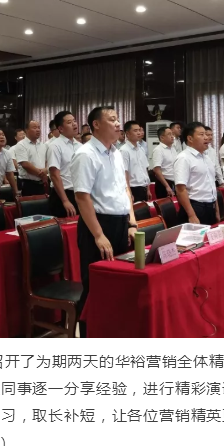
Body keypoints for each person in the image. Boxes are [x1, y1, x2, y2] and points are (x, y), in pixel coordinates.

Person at [71, 106, 136, 338]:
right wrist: (98, 235)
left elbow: (124, 189)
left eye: (118, 119)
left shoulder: (116, 153)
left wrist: (131, 223)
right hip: (98, 226)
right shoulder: (86, 154)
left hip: (120, 223)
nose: (118, 124)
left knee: (118, 283)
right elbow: (82, 197)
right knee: (95, 287)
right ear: (96, 125)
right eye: (112, 119)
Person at [174, 122, 220, 225]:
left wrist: (216, 209)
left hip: (210, 206)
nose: (206, 137)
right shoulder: (184, 158)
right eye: (201, 134)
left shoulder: (206, 158)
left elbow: (212, 185)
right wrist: (192, 215)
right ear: (190, 138)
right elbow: (180, 189)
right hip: (195, 207)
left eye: (206, 134)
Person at [47, 110, 81, 217]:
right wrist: (65, 200)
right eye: (69, 122)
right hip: (62, 194)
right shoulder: (55, 146)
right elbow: (54, 175)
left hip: (79, 193)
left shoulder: (80, 146)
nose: (74, 124)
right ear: (60, 128)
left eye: (74, 121)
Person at [14, 120, 48, 197]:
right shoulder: (21, 145)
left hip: (42, 183)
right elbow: (25, 164)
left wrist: (45, 170)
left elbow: (47, 161)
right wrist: (41, 174)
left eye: (39, 127)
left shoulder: (43, 145)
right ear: (26, 130)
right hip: (28, 184)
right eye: (34, 128)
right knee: (29, 204)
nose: (38, 130)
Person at [120, 121, 151, 203]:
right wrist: (129, 193)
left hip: (144, 187)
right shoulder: (124, 150)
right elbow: (124, 173)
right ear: (127, 133)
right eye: (135, 131)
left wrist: (148, 189)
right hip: (133, 188)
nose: (139, 133)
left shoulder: (141, 148)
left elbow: (145, 169)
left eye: (139, 130)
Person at [152, 126, 177, 199]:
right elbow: (157, 170)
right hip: (164, 183)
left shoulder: (173, 149)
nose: (172, 136)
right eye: (169, 134)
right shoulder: (158, 150)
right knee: (166, 205)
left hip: (174, 181)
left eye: (172, 134)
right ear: (162, 137)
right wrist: (167, 186)